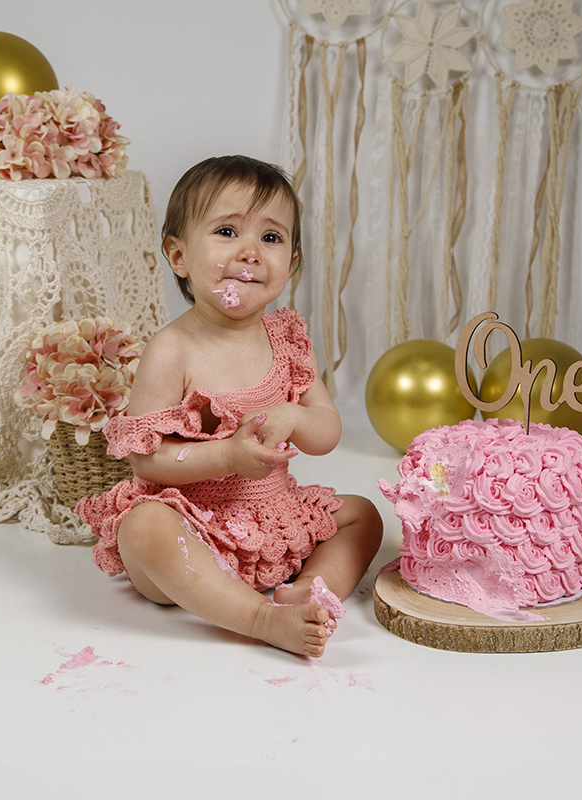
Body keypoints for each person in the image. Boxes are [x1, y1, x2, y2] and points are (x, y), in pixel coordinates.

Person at [77, 155, 383, 658]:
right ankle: (261, 618)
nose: (250, 253)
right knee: (144, 527)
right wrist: (225, 458)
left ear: (293, 261)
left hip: (272, 519)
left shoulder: (287, 339)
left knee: (363, 515)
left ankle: (310, 589)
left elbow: (327, 431)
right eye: (226, 231)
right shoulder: (172, 350)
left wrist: (295, 418)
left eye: (271, 238)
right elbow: (145, 460)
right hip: (194, 525)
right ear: (178, 256)